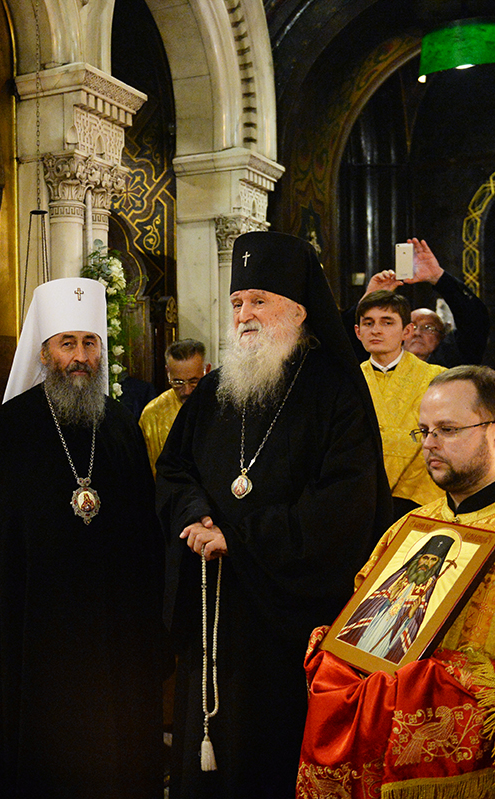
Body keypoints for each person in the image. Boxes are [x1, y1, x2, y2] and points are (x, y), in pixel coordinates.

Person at [299, 366, 495, 798]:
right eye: (424, 431)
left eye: (447, 430)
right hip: (384, 760)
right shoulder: (410, 528)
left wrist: (411, 702)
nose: (430, 444)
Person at [155, 231, 389, 798]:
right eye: (238, 303)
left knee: (274, 755)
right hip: (216, 605)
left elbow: (346, 501)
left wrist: (240, 538)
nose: (245, 315)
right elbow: (175, 469)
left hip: (292, 616)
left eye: (259, 300)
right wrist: (196, 518)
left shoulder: (336, 389)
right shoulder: (213, 392)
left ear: (299, 309)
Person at [0, 277, 165, 798]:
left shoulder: (122, 430)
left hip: (114, 646)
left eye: (89, 343)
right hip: (35, 649)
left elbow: (146, 544)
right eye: (68, 344)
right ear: (44, 353)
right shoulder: (8, 431)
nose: (80, 357)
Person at [355, 289, 446, 519]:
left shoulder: (438, 379)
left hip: (419, 500)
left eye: (387, 322)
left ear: (406, 331)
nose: (376, 330)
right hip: (360, 501)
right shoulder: (347, 381)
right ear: (358, 332)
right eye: (368, 323)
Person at [347, 238, 491, 367]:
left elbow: (475, 320)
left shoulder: (453, 360)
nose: (417, 333)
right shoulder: (378, 362)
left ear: (442, 337)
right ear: (402, 333)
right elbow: (344, 342)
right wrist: (369, 300)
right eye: (412, 326)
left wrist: (439, 278)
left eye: (428, 327)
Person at [334, 533, 453, 662]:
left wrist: (411, 614)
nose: (427, 563)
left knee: (382, 651)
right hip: (378, 620)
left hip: (397, 630)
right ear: (418, 558)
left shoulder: (431, 583)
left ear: (437, 564)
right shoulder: (401, 574)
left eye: (433, 560)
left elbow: (421, 617)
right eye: (425, 557)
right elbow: (374, 601)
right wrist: (388, 600)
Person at [139, 338, 211, 474]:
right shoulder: (153, 414)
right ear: (168, 372)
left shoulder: (221, 406)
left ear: (207, 370)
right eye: (178, 382)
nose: (187, 391)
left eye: (194, 381)